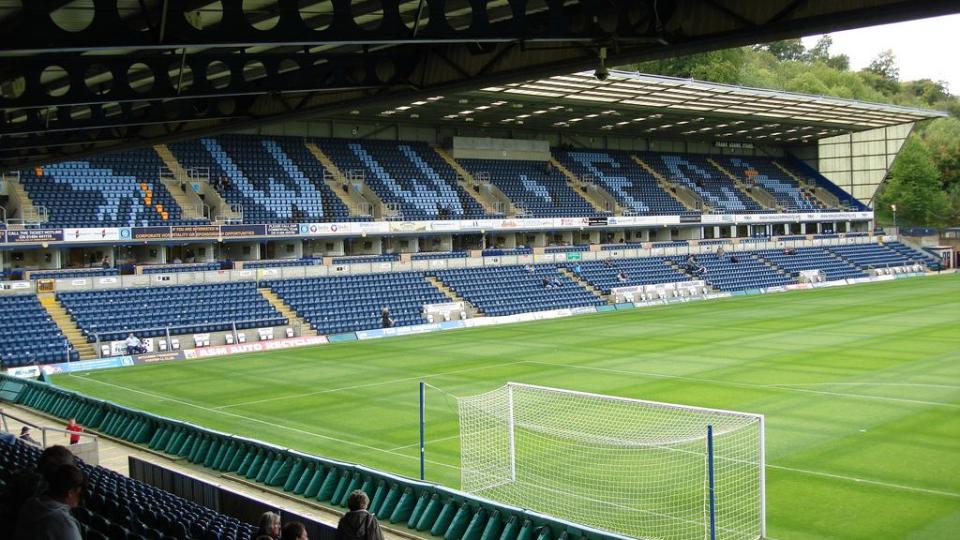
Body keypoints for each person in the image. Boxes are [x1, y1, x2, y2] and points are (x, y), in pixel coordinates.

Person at [13, 463, 86, 540]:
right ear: (70, 492)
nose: (81, 498)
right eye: (79, 493)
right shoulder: (65, 525)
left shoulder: (30, 503)